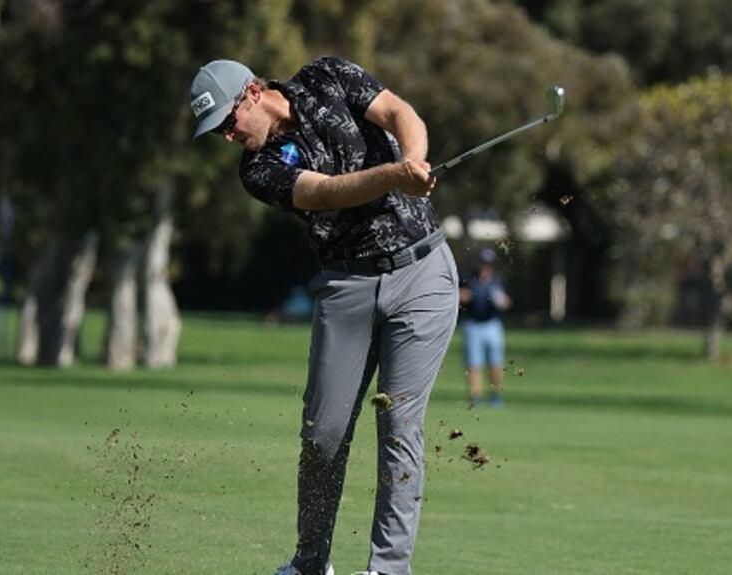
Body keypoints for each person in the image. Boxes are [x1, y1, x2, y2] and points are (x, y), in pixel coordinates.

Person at [189, 57, 459, 575]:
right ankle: (311, 563)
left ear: (251, 93)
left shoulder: (328, 76)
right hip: (346, 285)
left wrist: (416, 160)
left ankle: (387, 568)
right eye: (218, 130)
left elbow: (400, 112)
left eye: (227, 121)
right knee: (323, 432)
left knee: (399, 424)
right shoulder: (257, 169)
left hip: (422, 273)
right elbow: (323, 192)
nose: (227, 136)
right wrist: (393, 175)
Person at [459, 248, 512, 408]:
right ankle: (475, 396)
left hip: (492, 324)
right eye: (483, 263)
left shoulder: (498, 281)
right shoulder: (469, 279)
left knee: (495, 364)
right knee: (474, 364)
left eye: (488, 264)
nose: (485, 267)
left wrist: (502, 301)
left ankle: (495, 396)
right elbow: (459, 295)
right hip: (472, 325)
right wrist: (465, 296)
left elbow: (507, 302)